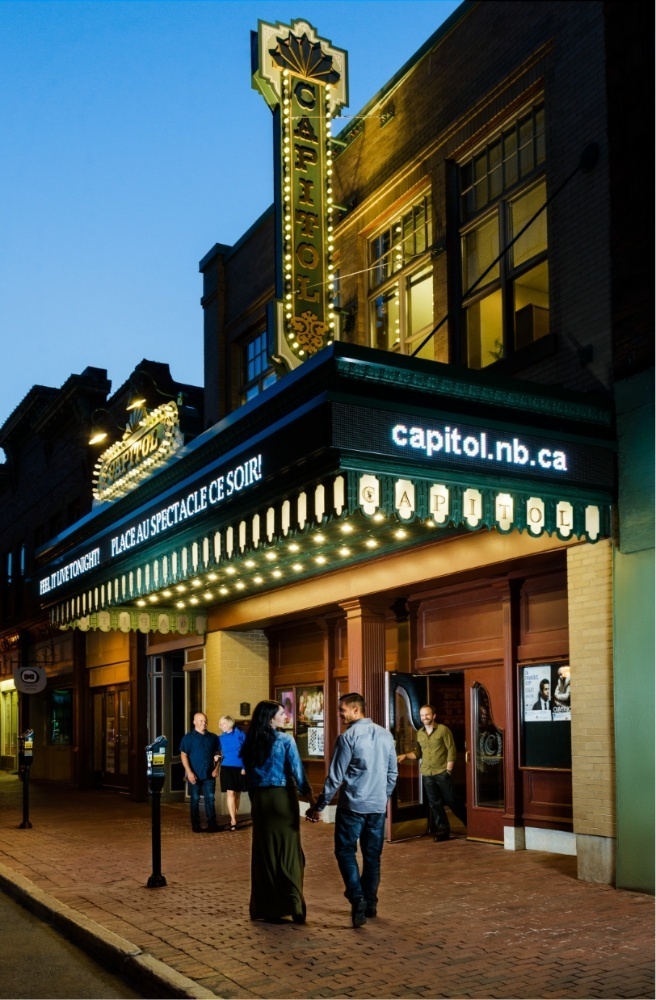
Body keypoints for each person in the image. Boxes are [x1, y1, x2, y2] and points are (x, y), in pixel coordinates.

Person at [306, 693, 398, 929]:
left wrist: (319, 806)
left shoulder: (348, 737)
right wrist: (382, 796)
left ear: (356, 710)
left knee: (345, 851)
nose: (339, 714)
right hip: (377, 807)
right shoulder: (386, 735)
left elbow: (335, 777)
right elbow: (392, 774)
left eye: (342, 710)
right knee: (372, 857)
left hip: (352, 807)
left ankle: (357, 898)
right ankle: (371, 904)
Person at [241, 700, 316, 924]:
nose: (287, 717)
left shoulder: (250, 743)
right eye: (282, 713)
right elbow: (298, 772)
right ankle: (294, 904)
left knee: (265, 854)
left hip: (261, 802)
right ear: (270, 718)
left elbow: (248, 777)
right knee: (290, 852)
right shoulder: (285, 740)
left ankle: (267, 907)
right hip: (283, 797)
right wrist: (311, 799)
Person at [397, 704, 467, 843]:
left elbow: (451, 750)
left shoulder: (443, 730)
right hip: (427, 772)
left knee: (452, 800)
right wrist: (405, 755)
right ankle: (443, 830)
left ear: (434, 716)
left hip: (442, 771)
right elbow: (418, 753)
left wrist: (448, 770)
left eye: (427, 715)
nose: (424, 718)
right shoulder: (420, 733)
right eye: (422, 715)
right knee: (435, 803)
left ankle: (472, 825)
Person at [179, 712, 221, 833]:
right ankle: (196, 825)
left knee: (210, 798)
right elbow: (183, 755)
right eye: (201, 721)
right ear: (194, 722)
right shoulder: (188, 738)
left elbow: (217, 753)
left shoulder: (213, 737)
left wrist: (217, 768)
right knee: (195, 799)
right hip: (194, 774)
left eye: (205, 721)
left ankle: (212, 824)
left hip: (209, 774)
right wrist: (189, 772)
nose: (204, 723)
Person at [218, 715, 248, 830]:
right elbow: (217, 751)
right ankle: (233, 820)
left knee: (237, 794)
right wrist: (216, 756)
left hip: (240, 768)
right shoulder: (220, 738)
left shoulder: (240, 735)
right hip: (227, 767)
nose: (221, 726)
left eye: (223, 723)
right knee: (230, 793)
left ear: (230, 723)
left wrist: (245, 767)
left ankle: (234, 815)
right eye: (220, 724)